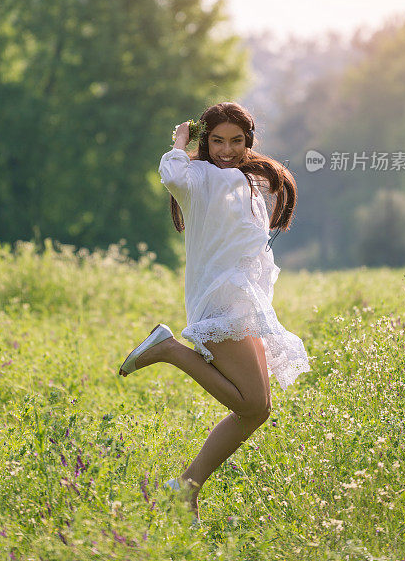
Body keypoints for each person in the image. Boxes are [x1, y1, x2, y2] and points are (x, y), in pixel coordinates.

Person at [119, 102, 311, 524]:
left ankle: (184, 488)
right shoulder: (198, 177)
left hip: (246, 302)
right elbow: (171, 173)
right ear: (206, 141)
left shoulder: (245, 180)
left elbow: (262, 188)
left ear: (248, 142)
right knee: (251, 404)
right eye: (218, 141)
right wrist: (182, 139)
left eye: (236, 141)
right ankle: (169, 349)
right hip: (221, 301)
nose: (226, 149)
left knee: (258, 411)